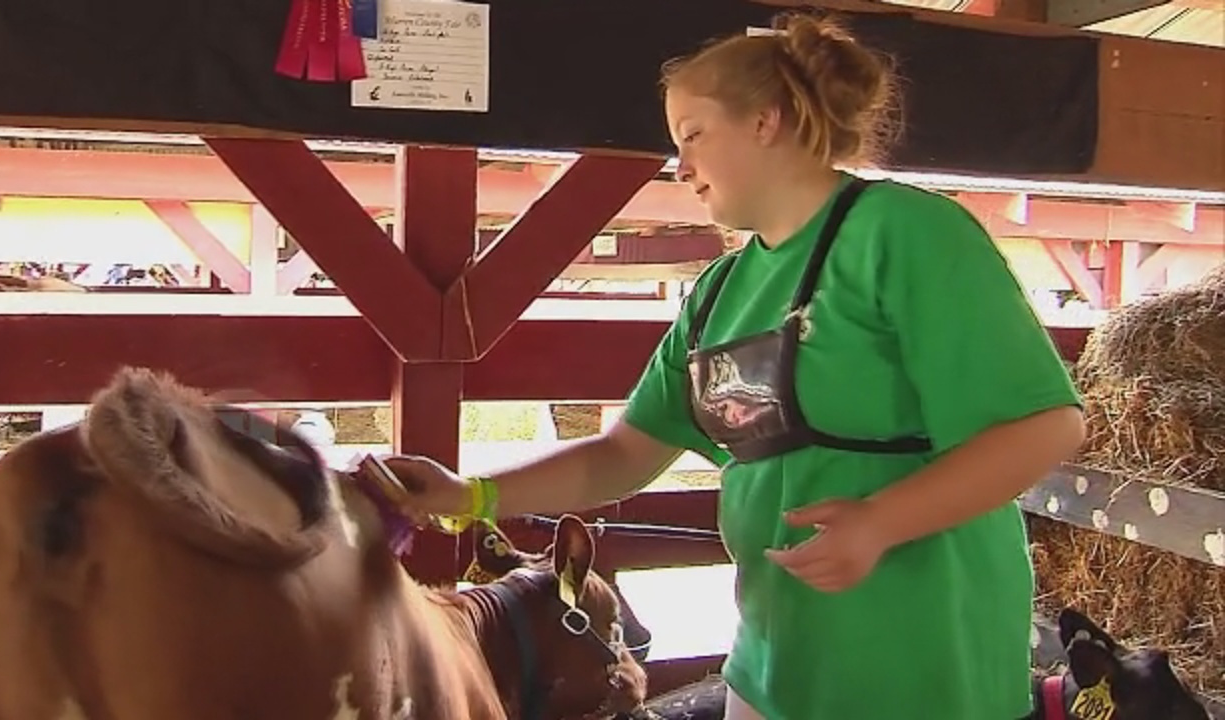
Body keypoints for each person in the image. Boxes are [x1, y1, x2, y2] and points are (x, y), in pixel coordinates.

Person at [384, 10, 1086, 719]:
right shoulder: (721, 290)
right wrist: (470, 496)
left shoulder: (905, 233)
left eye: (692, 135)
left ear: (764, 121)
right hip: (772, 663)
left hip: (924, 660)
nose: (680, 166)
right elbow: (623, 454)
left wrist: (880, 521)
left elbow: (1045, 427)